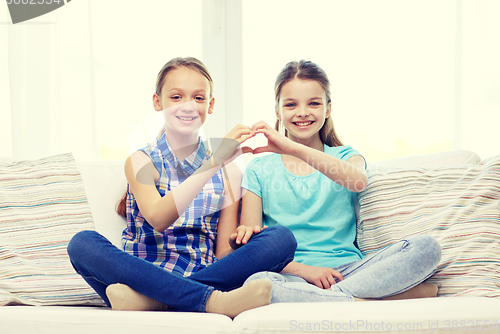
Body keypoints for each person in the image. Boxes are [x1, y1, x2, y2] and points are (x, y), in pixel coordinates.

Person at [67, 57, 296, 317]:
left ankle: (156, 301)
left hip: (203, 273)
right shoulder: (141, 161)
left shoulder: (230, 172)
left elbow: (222, 252)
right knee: (82, 243)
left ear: (210, 105)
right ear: (158, 102)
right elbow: (157, 218)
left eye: (198, 98)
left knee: (281, 239)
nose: (188, 106)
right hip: (141, 275)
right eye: (176, 97)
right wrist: (213, 162)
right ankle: (212, 302)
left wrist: (245, 239)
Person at [241, 60, 441, 302]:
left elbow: (358, 182)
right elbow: (251, 247)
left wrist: (293, 148)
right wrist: (305, 271)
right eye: (291, 104)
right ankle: (358, 301)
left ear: (328, 109)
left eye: (314, 103)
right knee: (257, 283)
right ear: (277, 112)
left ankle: (330, 299)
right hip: (291, 274)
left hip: (349, 271)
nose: (303, 112)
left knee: (426, 248)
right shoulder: (259, 168)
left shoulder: (346, 157)